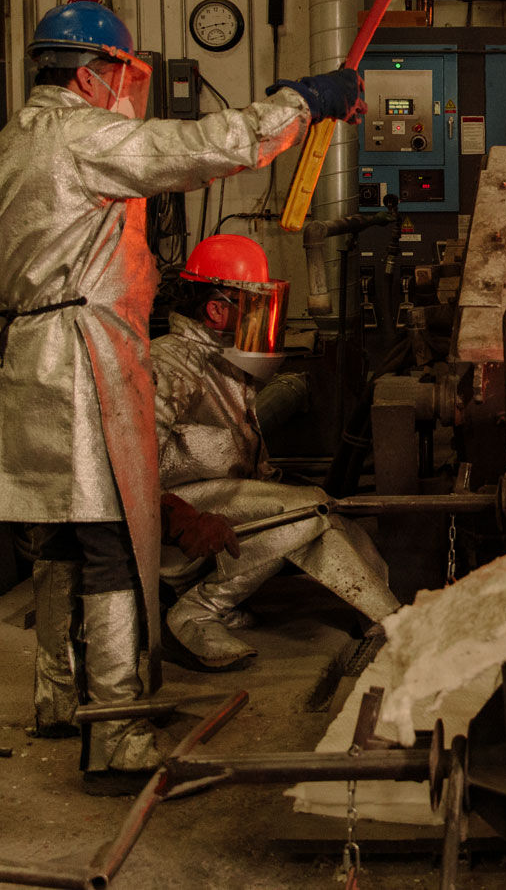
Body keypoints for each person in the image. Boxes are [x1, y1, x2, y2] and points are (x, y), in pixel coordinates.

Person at [0, 0, 364, 793]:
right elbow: (207, 145)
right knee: (114, 546)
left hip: (24, 363)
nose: (125, 90)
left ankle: (56, 696)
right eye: (120, 75)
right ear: (88, 73)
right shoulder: (81, 136)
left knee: (58, 542)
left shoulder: (3, 150)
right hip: (82, 359)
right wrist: (302, 100)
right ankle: (115, 736)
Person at [155, 233, 399, 672]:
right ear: (216, 309)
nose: (264, 320)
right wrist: (180, 520)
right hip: (174, 530)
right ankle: (195, 610)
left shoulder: (223, 363)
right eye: (253, 305)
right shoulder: (167, 366)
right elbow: (130, 473)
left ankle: (386, 622)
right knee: (309, 511)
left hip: (218, 507)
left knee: (328, 515)